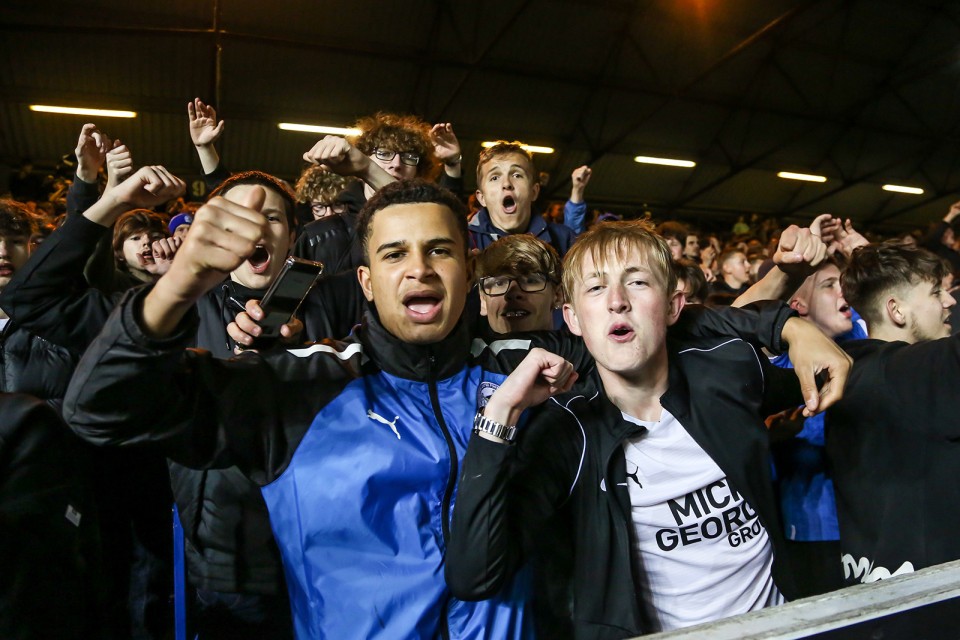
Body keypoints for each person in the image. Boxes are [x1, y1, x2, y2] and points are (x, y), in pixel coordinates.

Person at [65, 179, 600, 639]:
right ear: (366, 282)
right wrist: (180, 285)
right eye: (394, 254)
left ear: (468, 266)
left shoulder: (529, 381)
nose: (420, 270)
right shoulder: (300, 385)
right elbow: (98, 408)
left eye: (439, 250)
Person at [447, 220, 852, 637]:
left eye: (637, 282)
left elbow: (732, 335)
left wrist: (792, 327)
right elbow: (474, 576)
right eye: (595, 288)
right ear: (572, 318)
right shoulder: (568, 433)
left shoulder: (727, 371)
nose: (617, 302)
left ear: (674, 305)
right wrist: (496, 419)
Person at [827, 242, 960, 585]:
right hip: (931, 602)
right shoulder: (908, 371)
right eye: (936, 292)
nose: (950, 301)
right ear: (896, 311)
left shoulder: (849, 369)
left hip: (876, 587)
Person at [469, 142, 577, 257]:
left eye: (517, 175)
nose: (506, 184)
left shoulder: (564, 240)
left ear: (534, 192)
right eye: (495, 177)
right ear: (482, 198)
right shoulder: (466, 242)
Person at [476, 234, 562, 335]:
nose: (513, 293)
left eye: (530, 281)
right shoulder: (462, 350)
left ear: (557, 295)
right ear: (483, 300)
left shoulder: (580, 349)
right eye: (499, 283)